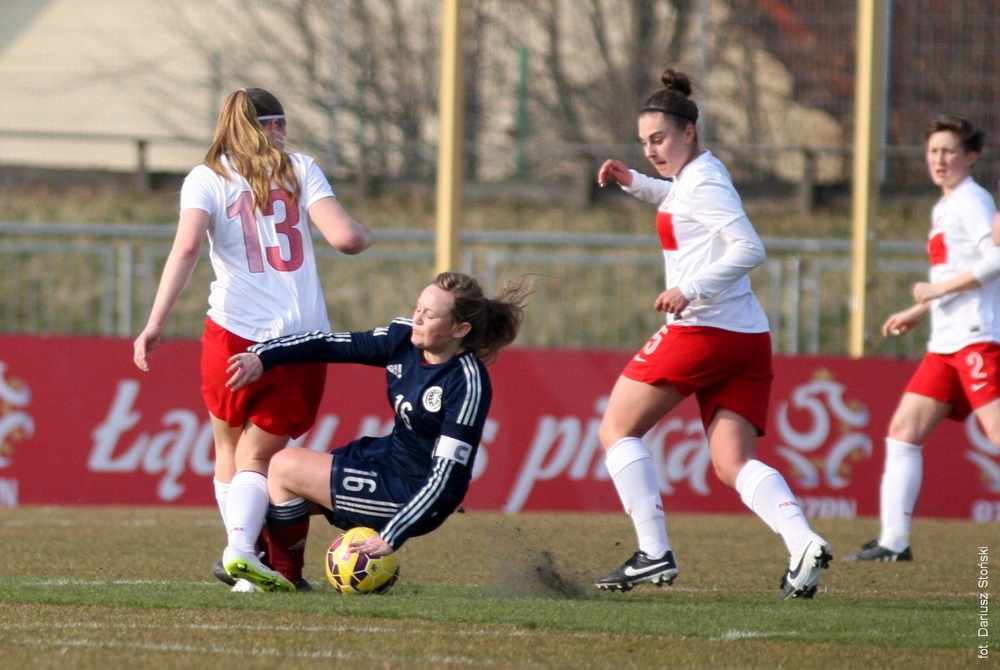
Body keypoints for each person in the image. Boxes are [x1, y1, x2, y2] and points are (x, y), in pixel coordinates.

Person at [592, 68, 831, 599]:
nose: (651, 150)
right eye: (644, 142)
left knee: (616, 430)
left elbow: (750, 248)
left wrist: (689, 288)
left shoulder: (704, 181)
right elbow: (683, 206)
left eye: (659, 140)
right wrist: (636, 182)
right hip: (746, 337)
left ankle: (653, 553)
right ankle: (803, 543)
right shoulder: (698, 176)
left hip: (705, 330)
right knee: (732, 462)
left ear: (688, 131)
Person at [132, 87, 374, 590]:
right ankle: (243, 555)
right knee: (260, 457)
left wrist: (155, 322)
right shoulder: (299, 168)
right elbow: (346, 239)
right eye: (281, 124)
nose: (284, 134)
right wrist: (367, 233)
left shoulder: (206, 176)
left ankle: (244, 565)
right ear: (271, 126)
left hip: (231, 332)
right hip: (299, 338)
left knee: (228, 447)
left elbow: (187, 248)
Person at [219, 271, 530, 592]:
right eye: (418, 308)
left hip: (413, 493)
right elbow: (331, 345)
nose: (417, 319)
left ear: (460, 329)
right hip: (386, 460)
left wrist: (393, 534)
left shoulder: (466, 383)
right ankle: (260, 565)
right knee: (269, 488)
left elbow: (447, 478)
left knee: (285, 467)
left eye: (429, 315)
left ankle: (283, 578)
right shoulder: (402, 338)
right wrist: (264, 355)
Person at [845, 114, 1000, 561]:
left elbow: (995, 259)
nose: (939, 159)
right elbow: (957, 274)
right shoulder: (944, 206)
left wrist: (937, 290)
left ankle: (894, 541)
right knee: (903, 431)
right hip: (946, 344)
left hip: (976, 338)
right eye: (933, 151)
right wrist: (920, 309)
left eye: (949, 151)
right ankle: (894, 542)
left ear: (971, 157)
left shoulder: (972, 200)